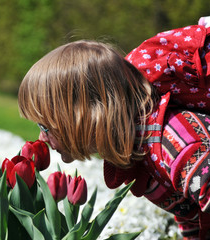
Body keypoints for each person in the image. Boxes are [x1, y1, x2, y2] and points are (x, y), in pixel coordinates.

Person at [18, 17, 210, 239]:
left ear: (83, 116)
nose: (41, 138)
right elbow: (191, 217)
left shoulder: (177, 144)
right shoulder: (138, 158)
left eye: (45, 126)